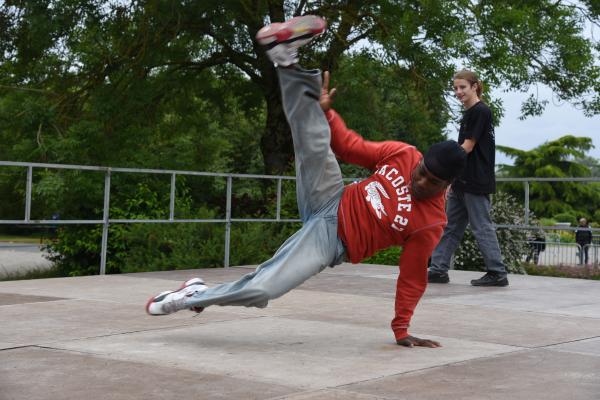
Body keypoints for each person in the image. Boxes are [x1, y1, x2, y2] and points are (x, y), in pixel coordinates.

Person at [146, 15, 466, 348]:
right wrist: (328, 112)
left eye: (432, 181)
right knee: (314, 137)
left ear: (447, 186)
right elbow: (350, 147)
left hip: (331, 240)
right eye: (422, 171)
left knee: (263, 289)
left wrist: (402, 329)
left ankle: (194, 295)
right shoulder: (405, 155)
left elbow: (412, 277)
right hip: (331, 195)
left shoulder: (431, 223)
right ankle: (286, 58)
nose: (421, 180)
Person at [427, 69, 509, 287]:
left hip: (476, 180)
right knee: (450, 226)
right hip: (461, 180)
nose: (458, 92)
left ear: (475, 86)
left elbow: (467, 147)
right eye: (455, 88)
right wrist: (452, 180)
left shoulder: (481, 112)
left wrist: (442, 172)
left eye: (462, 87)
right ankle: (438, 270)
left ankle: (497, 272)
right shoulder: (469, 113)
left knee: (481, 226)